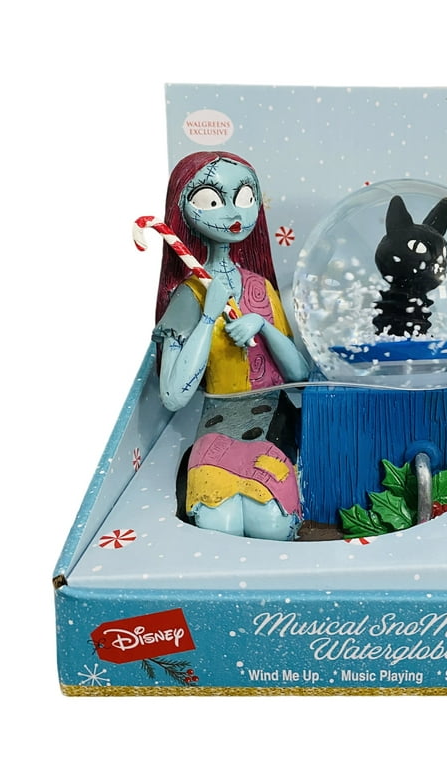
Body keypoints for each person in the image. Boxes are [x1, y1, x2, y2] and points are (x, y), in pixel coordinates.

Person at [152, 151, 309, 540]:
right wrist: (208, 317)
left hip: (274, 420)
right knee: (217, 525)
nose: (232, 212)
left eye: (244, 197)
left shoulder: (260, 287)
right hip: (216, 427)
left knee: (270, 525)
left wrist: (263, 325)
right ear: (183, 209)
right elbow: (173, 396)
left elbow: (299, 375)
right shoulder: (189, 295)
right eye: (211, 200)